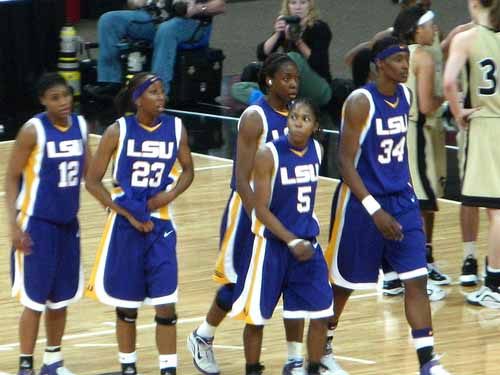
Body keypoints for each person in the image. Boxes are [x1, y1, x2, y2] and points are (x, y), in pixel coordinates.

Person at [325, 37, 451, 374]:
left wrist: (406, 191)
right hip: (361, 202)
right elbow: (344, 163)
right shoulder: (359, 102)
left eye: (406, 58)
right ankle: (322, 347)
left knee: (416, 279)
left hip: (401, 201)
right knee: (343, 285)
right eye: (397, 59)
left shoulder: (406, 96)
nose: (405, 65)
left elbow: (399, 154)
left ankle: (428, 362)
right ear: (379, 63)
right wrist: (374, 209)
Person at [188, 53, 315, 375]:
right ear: (270, 80)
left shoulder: (296, 118)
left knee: (289, 284)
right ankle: (203, 335)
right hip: (248, 216)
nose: (293, 84)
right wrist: (261, 222)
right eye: (286, 78)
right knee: (240, 285)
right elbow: (241, 180)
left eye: (296, 78)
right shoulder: (255, 117)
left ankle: (295, 359)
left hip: (285, 215)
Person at [85, 72, 194, 374]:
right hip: (125, 227)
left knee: (166, 304)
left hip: (161, 226)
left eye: (163, 91)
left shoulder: (175, 128)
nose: (162, 97)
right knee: (127, 305)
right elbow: (93, 182)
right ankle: (128, 367)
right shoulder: (117, 131)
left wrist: (167, 196)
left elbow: (188, 171)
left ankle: (168, 369)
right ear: (137, 99)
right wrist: (123, 211)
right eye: (155, 92)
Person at [230, 98, 333, 375]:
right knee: (256, 318)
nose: (298, 123)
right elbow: (260, 209)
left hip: (307, 245)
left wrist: (302, 239)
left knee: (322, 313)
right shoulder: (268, 154)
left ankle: (310, 367)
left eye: (305, 119)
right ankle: (253, 369)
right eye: (294, 117)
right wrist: (290, 240)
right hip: (272, 246)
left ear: (315, 126)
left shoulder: (318, 150)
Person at [5, 73, 90, 375]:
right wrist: (14, 227)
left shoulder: (80, 126)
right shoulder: (33, 130)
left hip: (68, 225)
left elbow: (90, 175)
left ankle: (52, 361)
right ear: (43, 100)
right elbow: (11, 177)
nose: (64, 101)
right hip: (36, 226)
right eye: (55, 98)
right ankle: (25, 366)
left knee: (61, 299)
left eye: (66, 95)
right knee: (34, 300)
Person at [443, 0, 500, 308]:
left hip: (485, 124)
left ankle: (494, 284)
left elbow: (449, 81)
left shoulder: (467, 37)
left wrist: (457, 112)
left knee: (495, 212)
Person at [393, 5, 451, 284]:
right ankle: (412, 264)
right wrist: (450, 100)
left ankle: (410, 263)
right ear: (417, 30)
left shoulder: (400, 55)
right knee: (422, 203)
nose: (435, 30)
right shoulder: (424, 56)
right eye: (430, 25)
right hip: (418, 132)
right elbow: (427, 104)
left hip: (402, 131)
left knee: (418, 201)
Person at [86, 0, 226, 98]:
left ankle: (159, 91)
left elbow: (219, 5)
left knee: (166, 30)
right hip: (153, 17)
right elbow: (132, 4)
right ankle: (112, 82)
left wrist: (197, 8)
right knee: (109, 20)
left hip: (190, 22)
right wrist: (135, 3)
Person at [231, 0, 332, 109]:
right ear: (287, 6)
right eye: (293, 3)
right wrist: (278, 34)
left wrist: (298, 41)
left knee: (292, 58)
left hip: (317, 88)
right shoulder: (287, 26)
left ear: (310, 6)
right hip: (289, 89)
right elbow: (262, 54)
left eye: (303, 3)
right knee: (238, 88)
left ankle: (279, 101)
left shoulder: (319, 27)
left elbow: (319, 63)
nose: (298, 7)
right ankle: (269, 103)